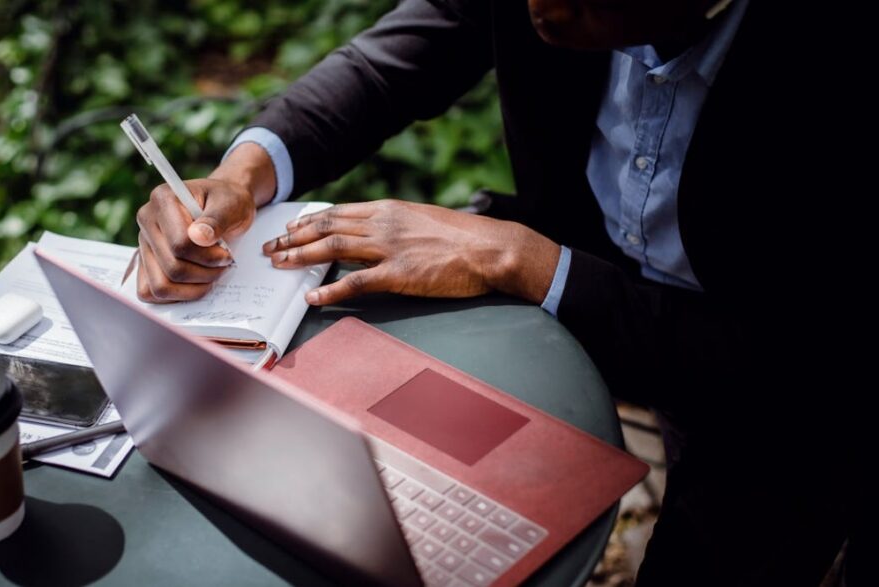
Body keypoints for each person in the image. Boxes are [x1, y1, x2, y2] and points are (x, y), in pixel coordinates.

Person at [134, 1, 865, 585]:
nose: (538, 7)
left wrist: (525, 262)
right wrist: (245, 173)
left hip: (781, 383)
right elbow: (401, 55)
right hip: (587, 259)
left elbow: (799, 364)